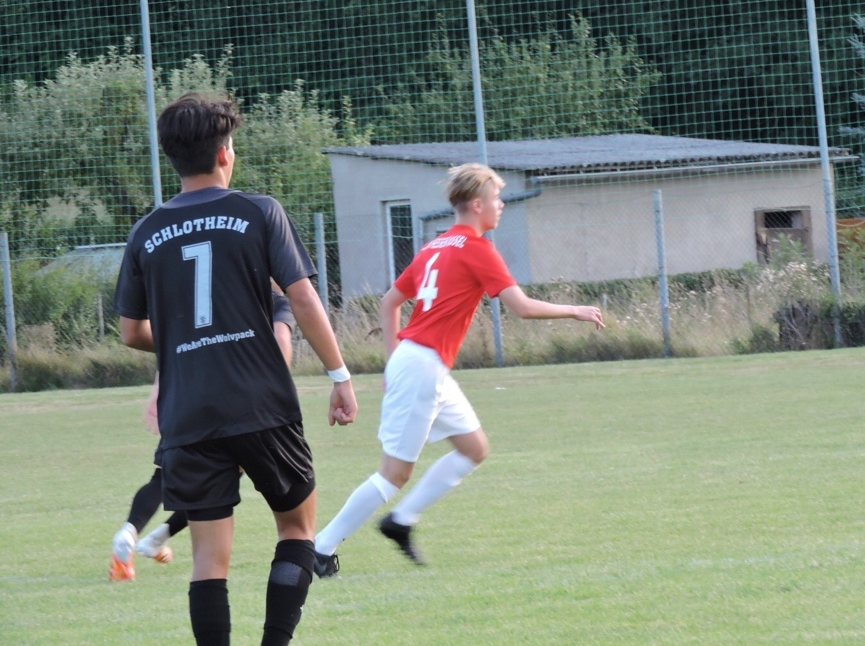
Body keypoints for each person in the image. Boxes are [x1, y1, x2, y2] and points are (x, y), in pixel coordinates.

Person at [114, 93, 357, 646]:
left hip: (188, 412)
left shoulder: (145, 233)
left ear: (172, 157)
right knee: (296, 529)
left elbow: (131, 332)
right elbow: (302, 298)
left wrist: (187, 345)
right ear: (225, 153)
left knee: (208, 561)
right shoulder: (259, 211)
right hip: (260, 402)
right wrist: (339, 376)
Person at [313, 162, 604, 575]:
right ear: (476, 205)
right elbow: (521, 307)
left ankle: (400, 521)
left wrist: (394, 360)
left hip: (422, 364)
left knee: (474, 448)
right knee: (393, 474)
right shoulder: (477, 248)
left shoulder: (435, 246)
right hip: (422, 367)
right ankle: (320, 547)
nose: (501, 205)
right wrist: (574, 310)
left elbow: (389, 302)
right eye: (496, 198)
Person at [109, 288, 297, 582]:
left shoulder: (215, 293)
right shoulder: (271, 299)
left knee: (164, 477)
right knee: (220, 483)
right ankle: (158, 539)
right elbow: (281, 340)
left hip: (189, 399)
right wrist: (275, 391)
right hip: (243, 405)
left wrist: (160, 389)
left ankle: (132, 532)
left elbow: (175, 342)